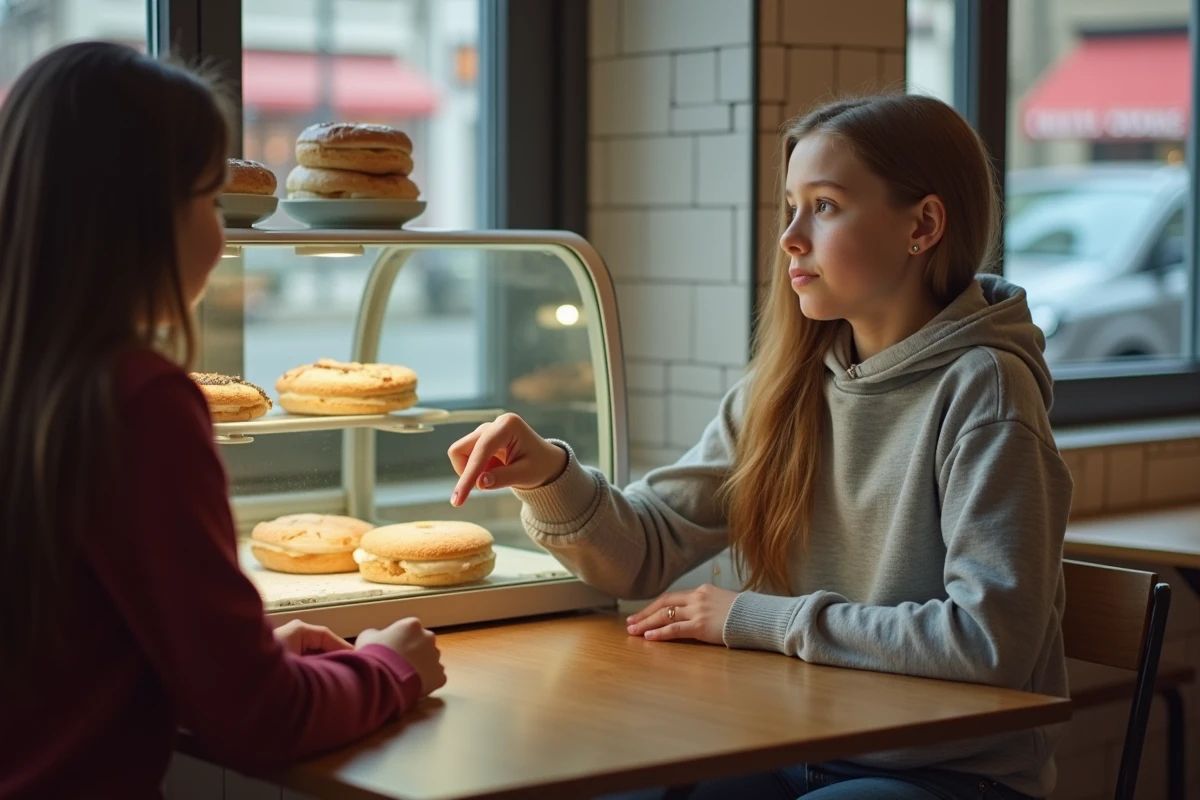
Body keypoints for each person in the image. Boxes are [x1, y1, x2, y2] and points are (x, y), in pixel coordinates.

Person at [447, 94, 1073, 800]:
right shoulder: (784, 387)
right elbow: (646, 548)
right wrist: (549, 475)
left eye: (826, 205)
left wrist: (751, 617)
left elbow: (988, 643)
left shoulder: (985, 391)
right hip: (788, 743)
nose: (790, 238)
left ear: (922, 225)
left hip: (948, 776)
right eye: (790, 206)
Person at [0, 42, 445, 798]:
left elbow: (62, 645)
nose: (222, 232)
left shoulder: (30, 378)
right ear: (140, 218)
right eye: (209, 200)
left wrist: (243, 652)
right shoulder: (139, 401)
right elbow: (258, 720)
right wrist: (388, 666)